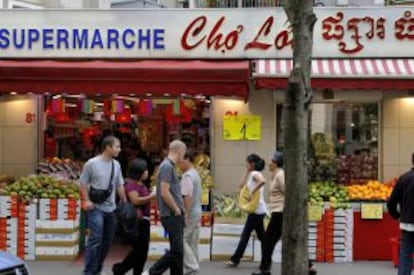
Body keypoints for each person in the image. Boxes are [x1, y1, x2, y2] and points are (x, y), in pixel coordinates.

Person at [79, 135, 127, 275]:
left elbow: (119, 184)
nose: (120, 149)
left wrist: (124, 202)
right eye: (117, 146)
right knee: (95, 239)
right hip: (95, 208)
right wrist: (86, 200)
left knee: (107, 242)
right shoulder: (91, 163)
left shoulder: (116, 165)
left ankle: (97, 268)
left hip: (111, 209)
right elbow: (83, 183)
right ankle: (89, 272)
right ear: (108, 147)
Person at [143, 140, 187, 275]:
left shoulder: (167, 166)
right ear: (178, 151)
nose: (183, 158)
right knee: (177, 250)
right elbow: (164, 191)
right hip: (171, 214)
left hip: (172, 214)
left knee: (177, 251)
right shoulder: (167, 166)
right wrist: (176, 209)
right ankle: (152, 271)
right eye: (183, 154)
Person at [112, 159, 155, 275]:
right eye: (145, 170)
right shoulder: (131, 185)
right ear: (138, 172)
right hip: (137, 221)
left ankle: (132, 271)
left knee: (141, 252)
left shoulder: (141, 184)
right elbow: (135, 201)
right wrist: (152, 196)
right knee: (139, 251)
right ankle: (120, 269)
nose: (147, 172)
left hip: (144, 220)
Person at [226, 153, 267, 268]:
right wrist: (246, 171)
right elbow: (240, 185)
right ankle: (266, 259)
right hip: (257, 210)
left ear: (252, 164)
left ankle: (235, 259)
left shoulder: (255, 174)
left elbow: (263, 181)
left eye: (247, 163)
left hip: (256, 211)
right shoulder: (252, 174)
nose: (246, 165)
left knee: (245, 235)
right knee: (262, 237)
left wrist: (252, 193)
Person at [251, 151, 284, 275]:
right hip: (277, 212)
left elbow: (288, 192)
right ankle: (309, 266)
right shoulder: (276, 175)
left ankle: (264, 269)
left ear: (275, 163)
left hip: (280, 212)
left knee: (268, 241)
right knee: (285, 240)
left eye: (270, 161)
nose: (268, 163)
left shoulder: (280, 175)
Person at [387, 153, 414, 275]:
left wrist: (397, 215)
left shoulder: (403, 178)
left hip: (407, 222)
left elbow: (391, 201)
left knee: (405, 254)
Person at [179, 150, 202, 275]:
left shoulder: (188, 176)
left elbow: (187, 196)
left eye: (180, 160)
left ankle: (192, 266)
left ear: (187, 159)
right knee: (192, 241)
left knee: (181, 239)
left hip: (191, 212)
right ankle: (192, 269)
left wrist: (185, 214)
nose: (178, 163)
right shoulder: (195, 174)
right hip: (196, 211)